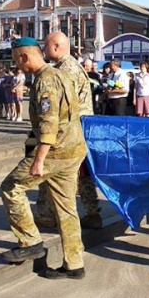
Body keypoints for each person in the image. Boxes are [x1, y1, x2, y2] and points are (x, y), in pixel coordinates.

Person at [0, 37, 87, 280]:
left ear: (24, 57)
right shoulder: (60, 75)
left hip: (55, 152)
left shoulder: (45, 81)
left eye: (17, 60)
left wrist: (38, 161)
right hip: (73, 149)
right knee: (66, 208)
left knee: (11, 187)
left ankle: (30, 242)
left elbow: (49, 124)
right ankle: (74, 264)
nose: (17, 66)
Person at [38, 31, 103, 230]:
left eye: (46, 45)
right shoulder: (69, 66)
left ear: (56, 46)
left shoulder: (65, 70)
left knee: (51, 173)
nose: (43, 49)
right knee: (82, 175)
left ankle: (48, 214)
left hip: (69, 130)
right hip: (77, 129)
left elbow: (61, 104)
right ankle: (92, 214)